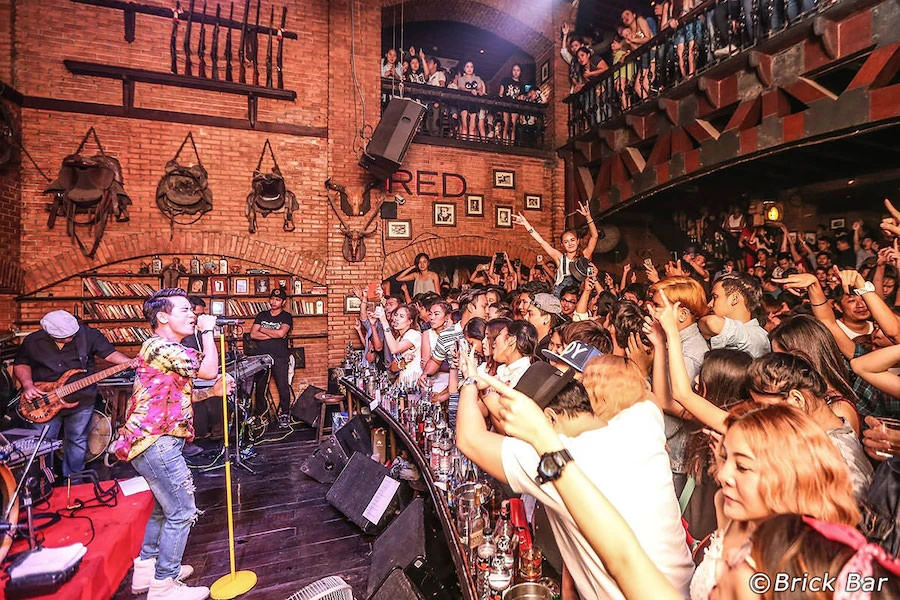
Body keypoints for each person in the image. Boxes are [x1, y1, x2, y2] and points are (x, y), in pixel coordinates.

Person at [457, 352, 695, 599]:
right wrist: (486, 390)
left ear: (548, 418)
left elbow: (469, 438)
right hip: (685, 588)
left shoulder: (552, 458)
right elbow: (646, 396)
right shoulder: (642, 418)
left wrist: (470, 382)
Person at [114, 288, 233, 599]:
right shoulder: (159, 347)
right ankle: (164, 586)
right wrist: (208, 331)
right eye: (184, 310)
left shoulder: (166, 351)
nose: (192, 315)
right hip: (157, 443)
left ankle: (147, 569)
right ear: (163, 317)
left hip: (153, 442)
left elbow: (176, 397)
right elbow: (209, 370)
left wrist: (211, 393)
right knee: (182, 511)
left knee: (162, 509)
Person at [14, 310, 132, 479]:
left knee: (77, 442)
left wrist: (129, 362)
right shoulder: (33, 341)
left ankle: (74, 482)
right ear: (48, 333)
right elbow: (21, 363)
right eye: (63, 337)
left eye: (72, 335)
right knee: (42, 444)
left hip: (81, 400)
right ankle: (43, 483)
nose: (69, 339)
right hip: (43, 401)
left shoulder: (88, 335)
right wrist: (28, 385)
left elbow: (109, 354)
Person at [514, 205, 599, 296]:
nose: (570, 244)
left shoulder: (584, 255)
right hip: (559, 295)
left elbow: (595, 236)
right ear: (562, 245)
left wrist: (588, 216)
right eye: (566, 242)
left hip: (577, 295)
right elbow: (542, 242)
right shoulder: (559, 257)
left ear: (578, 241)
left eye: (572, 240)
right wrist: (526, 224)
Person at [250, 288, 293, 427]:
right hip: (261, 357)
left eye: (278, 300)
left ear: (283, 302)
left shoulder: (286, 316)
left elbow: (281, 334)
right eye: (272, 299)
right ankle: (260, 415)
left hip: (280, 357)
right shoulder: (261, 315)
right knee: (260, 386)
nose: (274, 302)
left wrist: (262, 329)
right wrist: (273, 333)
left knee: (283, 385)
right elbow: (253, 335)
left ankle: (285, 413)